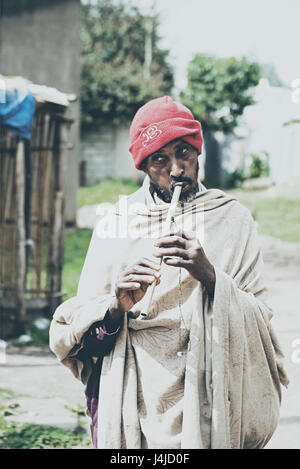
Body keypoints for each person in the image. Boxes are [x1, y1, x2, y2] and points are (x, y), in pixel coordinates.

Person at [49, 96, 289, 449]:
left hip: (211, 399)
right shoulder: (117, 223)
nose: (176, 168)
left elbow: (259, 325)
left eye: (184, 152)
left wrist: (210, 276)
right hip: (134, 400)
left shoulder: (233, 219)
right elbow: (84, 337)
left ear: (198, 152)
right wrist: (116, 305)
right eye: (160, 158)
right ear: (144, 165)